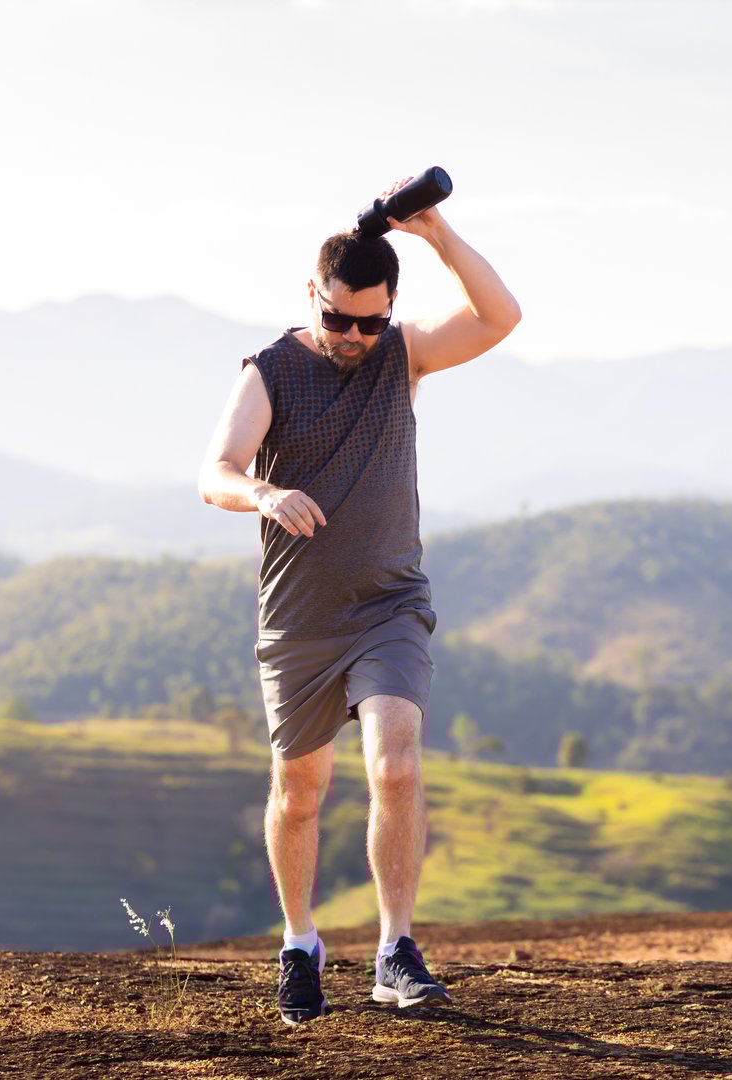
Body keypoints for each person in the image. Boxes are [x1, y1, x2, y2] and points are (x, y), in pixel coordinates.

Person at [197, 177, 521, 1025]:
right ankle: (299, 943)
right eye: (338, 318)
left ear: (389, 310)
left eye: (369, 321)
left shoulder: (398, 356)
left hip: (388, 605)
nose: (352, 336)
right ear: (313, 295)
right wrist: (263, 497)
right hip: (298, 619)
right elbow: (214, 471)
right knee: (300, 792)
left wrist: (438, 232)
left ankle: (393, 949)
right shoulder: (268, 372)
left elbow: (500, 318)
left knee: (397, 759)